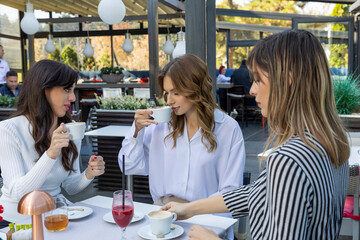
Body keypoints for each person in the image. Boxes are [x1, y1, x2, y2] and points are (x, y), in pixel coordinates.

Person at [163, 30, 350, 240]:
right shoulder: (333, 140)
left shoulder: (287, 161)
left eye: (258, 80)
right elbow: (257, 193)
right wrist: (189, 209)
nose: (252, 90)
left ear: (287, 81)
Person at [118, 54, 245, 238]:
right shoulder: (160, 125)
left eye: (176, 93)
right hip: (161, 218)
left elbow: (231, 193)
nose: (169, 100)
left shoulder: (228, 129)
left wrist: (193, 212)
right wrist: (136, 131)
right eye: (167, 92)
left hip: (206, 222)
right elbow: (128, 166)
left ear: (196, 89)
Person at [0, 59, 105, 223]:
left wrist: (89, 173)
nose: (72, 97)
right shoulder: (9, 129)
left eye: (73, 90)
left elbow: (69, 186)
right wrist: (50, 154)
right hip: (17, 222)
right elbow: (17, 193)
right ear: (44, 90)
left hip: (57, 216)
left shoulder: (70, 129)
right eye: (66, 90)